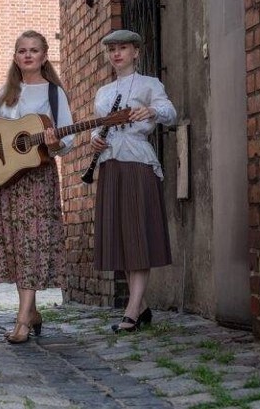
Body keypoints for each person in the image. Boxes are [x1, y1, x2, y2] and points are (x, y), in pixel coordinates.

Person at [0, 30, 74, 344]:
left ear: (44, 56)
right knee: (17, 246)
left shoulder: (55, 94)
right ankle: (30, 311)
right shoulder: (5, 92)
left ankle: (22, 320)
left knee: (32, 244)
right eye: (22, 51)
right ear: (15, 57)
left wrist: (55, 144)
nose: (27, 55)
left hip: (37, 180)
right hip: (7, 181)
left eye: (34, 50)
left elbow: (67, 142)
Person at [89, 29, 177, 333]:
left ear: (136, 52)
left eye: (123, 48)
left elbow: (170, 112)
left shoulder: (150, 84)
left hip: (137, 162)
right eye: (112, 49)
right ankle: (141, 306)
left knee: (137, 234)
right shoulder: (102, 93)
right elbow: (97, 129)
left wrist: (150, 109)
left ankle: (131, 310)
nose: (117, 54)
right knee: (123, 238)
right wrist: (94, 142)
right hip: (110, 163)